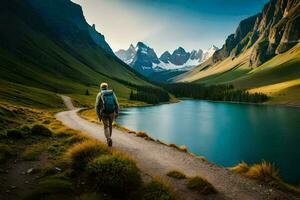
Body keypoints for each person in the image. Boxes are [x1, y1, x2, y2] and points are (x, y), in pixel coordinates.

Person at [95, 82, 119, 147]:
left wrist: (99, 115)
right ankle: (109, 138)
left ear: (101, 88)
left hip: (103, 113)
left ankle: (108, 139)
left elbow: (97, 106)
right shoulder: (112, 93)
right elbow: (116, 103)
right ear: (107, 87)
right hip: (111, 112)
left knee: (106, 126)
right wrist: (117, 112)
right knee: (110, 125)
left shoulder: (99, 94)